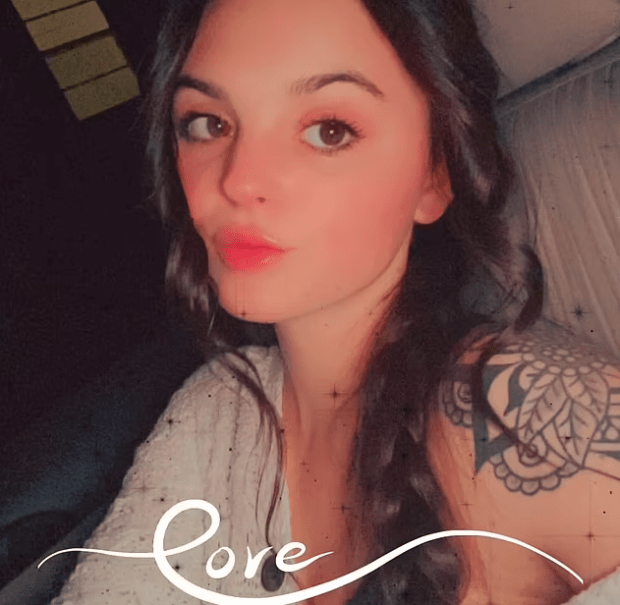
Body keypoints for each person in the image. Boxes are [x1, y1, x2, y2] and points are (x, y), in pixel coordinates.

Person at [50, 0, 620, 603]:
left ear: (436, 174)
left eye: (328, 131)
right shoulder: (217, 410)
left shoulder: (528, 414)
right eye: (208, 123)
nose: (238, 179)